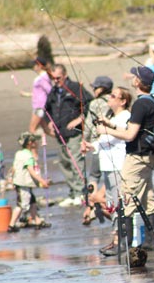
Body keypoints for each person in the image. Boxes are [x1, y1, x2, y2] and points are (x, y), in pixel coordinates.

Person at [104, 66, 154, 251]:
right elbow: (135, 131)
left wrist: (106, 130)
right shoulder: (151, 101)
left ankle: (124, 244)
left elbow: (131, 135)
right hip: (148, 155)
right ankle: (151, 242)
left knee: (126, 195)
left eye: (135, 76)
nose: (132, 78)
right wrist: (110, 124)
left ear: (138, 82)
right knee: (147, 197)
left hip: (137, 156)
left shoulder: (140, 105)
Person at [83, 87, 132, 255]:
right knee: (112, 205)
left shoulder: (125, 116)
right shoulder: (112, 117)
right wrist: (91, 146)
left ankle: (122, 240)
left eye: (113, 96)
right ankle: (117, 239)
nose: (109, 98)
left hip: (118, 166)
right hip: (107, 167)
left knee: (120, 204)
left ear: (122, 101)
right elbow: (106, 141)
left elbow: (123, 135)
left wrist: (106, 129)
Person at [44, 64, 93, 208]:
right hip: (60, 133)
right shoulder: (53, 91)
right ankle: (73, 193)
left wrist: (80, 119)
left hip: (74, 133)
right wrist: (49, 124)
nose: (56, 80)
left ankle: (81, 193)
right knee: (64, 163)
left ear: (65, 75)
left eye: (58, 78)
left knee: (76, 162)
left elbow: (89, 104)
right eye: (53, 78)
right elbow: (47, 109)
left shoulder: (75, 87)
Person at [7, 132, 51, 232]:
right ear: (30, 143)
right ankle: (11, 225)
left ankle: (37, 221)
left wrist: (10, 177)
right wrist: (42, 181)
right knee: (21, 205)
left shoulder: (19, 153)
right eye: (35, 141)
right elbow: (31, 171)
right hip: (23, 184)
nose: (37, 142)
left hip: (19, 182)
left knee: (33, 203)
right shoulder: (29, 157)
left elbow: (14, 167)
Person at [83, 76, 113, 199]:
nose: (94, 90)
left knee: (94, 175)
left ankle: (92, 199)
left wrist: (84, 141)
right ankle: (106, 198)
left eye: (96, 87)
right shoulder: (114, 100)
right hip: (113, 142)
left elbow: (89, 125)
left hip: (97, 143)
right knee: (110, 174)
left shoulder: (94, 103)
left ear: (102, 89)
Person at [27, 57, 52, 135]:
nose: (33, 67)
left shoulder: (43, 77)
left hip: (40, 106)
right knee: (46, 130)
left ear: (39, 66)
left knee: (32, 129)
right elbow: (39, 93)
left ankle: (32, 146)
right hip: (38, 106)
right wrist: (26, 94)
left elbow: (49, 90)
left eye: (35, 65)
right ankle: (65, 141)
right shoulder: (42, 77)